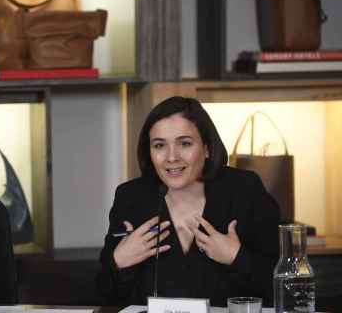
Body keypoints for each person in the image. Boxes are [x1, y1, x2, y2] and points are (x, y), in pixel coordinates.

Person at [96, 96, 280, 307]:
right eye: (159, 145)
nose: (171, 157)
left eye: (184, 143)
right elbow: (105, 296)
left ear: (207, 147)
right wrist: (119, 261)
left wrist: (237, 258)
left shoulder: (244, 190)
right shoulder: (131, 197)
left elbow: (284, 287)